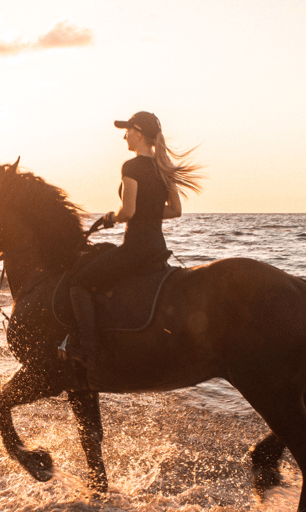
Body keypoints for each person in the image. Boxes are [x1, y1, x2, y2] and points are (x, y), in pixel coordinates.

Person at [63, 111, 202, 371]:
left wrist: (111, 218)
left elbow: (128, 212)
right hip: (157, 249)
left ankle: (88, 351)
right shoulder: (164, 168)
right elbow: (175, 210)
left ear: (137, 134)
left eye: (127, 132)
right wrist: (146, 210)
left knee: (78, 283)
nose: (125, 136)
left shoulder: (131, 166)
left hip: (136, 249)